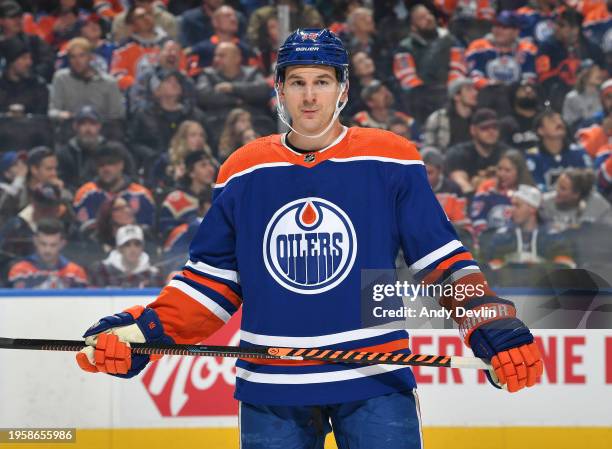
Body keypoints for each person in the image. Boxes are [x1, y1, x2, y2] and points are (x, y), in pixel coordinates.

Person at [76, 28, 542, 449]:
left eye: (321, 81)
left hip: (374, 377)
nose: (310, 96)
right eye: (297, 82)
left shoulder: (392, 158)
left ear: (343, 88)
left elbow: (440, 262)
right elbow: (212, 282)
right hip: (272, 387)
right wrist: (146, 331)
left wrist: (487, 322)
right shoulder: (244, 170)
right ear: (279, 89)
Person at [393, 4, 466, 122]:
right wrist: (428, 94)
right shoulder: (404, 47)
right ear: (413, 27)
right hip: (422, 100)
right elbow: (407, 79)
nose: (428, 18)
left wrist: (450, 90)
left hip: (448, 93)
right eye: (421, 18)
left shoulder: (451, 41)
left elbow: (459, 69)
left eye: (429, 14)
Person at [481, 184, 576, 271]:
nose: (511, 210)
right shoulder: (502, 237)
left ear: (532, 209)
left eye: (517, 205)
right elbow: (491, 271)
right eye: (512, 205)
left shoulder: (553, 237)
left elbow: (566, 268)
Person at [128, 69, 206, 170]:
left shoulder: (194, 114)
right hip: (155, 167)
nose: (175, 84)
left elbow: (209, 142)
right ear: (156, 90)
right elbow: (133, 143)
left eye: (177, 81)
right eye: (168, 81)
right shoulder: (143, 115)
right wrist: (154, 156)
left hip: (191, 167)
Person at [73, 141, 155, 234]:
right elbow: (83, 231)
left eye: (111, 163)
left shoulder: (142, 195)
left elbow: (148, 231)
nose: (106, 169)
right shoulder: (85, 194)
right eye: (101, 164)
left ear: (121, 165)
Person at [536, 8, 605, 110]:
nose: (556, 28)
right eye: (557, 23)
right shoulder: (547, 47)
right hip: (559, 97)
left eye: (562, 25)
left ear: (575, 29)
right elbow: (544, 78)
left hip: (589, 95)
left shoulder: (592, 49)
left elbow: (604, 73)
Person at [48, 37, 125, 121]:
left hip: (101, 129)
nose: (77, 61)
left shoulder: (109, 82)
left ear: (90, 57)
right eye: (73, 57)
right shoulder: (61, 78)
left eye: (81, 56)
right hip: (69, 127)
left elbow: (117, 115)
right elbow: (52, 111)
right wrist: (63, 115)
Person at [7, 218, 88, 289]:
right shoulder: (20, 271)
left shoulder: (75, 273)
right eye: (43, 244)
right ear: (35, 241)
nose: (47, 250)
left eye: (53, 245)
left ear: (62, 244)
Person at [195, 41, 270, 117]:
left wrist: (233, 87)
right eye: (215, 56)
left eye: (221, 56)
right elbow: (203, 96)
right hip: (219, 122)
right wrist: (235, 100)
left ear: (237, 58)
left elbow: (263, 91)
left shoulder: (252, 72)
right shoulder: (207, 74)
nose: (216, 59)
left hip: (254, 120)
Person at [470, 150, 535, 236]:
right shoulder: (485, 194)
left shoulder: (529, 196)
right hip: (492, 243)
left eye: (507, 170)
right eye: (499, 169)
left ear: (519, 172)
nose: (501, 174)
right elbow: (478, 225)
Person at [446, 108, 511, 193]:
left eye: (495, 127)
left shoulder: (508, 153)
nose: (491, 131)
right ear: (473, 130)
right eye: (485, 128)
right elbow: (461, 183)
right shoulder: (458, 153)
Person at [525, 110, 591, 191]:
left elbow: (589, 181)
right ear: (541, 130)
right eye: (552, 120)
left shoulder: (578, 152)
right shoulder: (533, 156)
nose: (559, 123)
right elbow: (534, 188)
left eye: (560, 119)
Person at [110, 5, 170, 90]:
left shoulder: (169, 44)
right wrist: (139, 87)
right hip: (136, 96)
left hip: (168, 93)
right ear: (132, 26)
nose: (146, 18)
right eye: (140, 17)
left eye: (148, 14)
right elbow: (117, 75)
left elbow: (181, 72)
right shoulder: (124, 48)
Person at [159, 150, 217, 238]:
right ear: (191, 173)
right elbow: (167, 235)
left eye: (211, 164)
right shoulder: (174, 200)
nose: (210, 169)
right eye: (203, 165)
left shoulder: (221, 195)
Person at [89, 224, 163, 288]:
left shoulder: (152, 274)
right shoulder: (103, 271)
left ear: (142, 247)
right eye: (127, 244)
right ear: (119, 248)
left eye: (137, 244)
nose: (133, 249)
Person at [149, 120, 213, 192]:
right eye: (193, 135)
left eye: (201, 135)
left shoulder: (209, 160)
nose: (198, 139)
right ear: (183, 139)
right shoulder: (167, 159)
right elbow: (155, 184)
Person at [540, 168, 612, 232]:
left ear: (576, 194)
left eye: (563, 188)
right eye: (557, 185)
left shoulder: (600, 206)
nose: (557, 190)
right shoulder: (544, 203)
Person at [0, 0, 55, 82]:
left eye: (20, 17)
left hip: (31, 86)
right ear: (1, 20)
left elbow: (48, 63)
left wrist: (28, 75)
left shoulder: (33, 40)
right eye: (12, 17)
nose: (18, 20)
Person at [352, 80, 419, 140]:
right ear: (370, 102)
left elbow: (417, 140)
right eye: (379, 92)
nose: (386, 93)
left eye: (386, 90)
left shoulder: (403, 118)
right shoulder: (360, 119)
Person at [423, 77, 477, 151]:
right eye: (468, 90)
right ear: (456, 96)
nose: (475, 93)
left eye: (474, 89)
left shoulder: (478, 119)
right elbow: (428, 149)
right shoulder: (438, 118)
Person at [421, 146, 470, 229]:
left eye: (429, 172)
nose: (424, 176)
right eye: (421, 171)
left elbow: (461, 222)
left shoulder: (453, 189)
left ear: (440, 170)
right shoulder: (410, 188)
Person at [0, 37, 49, 115]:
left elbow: (41, 118)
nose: (29, 62)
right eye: (24, 58)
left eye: (30, 58)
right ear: (11, 62)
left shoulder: (38, 85)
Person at [562, 60, 606, 129]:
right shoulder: (572, 97)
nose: (598, 73)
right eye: (594, 71)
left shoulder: (604, 94)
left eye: (598, 70)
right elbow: (569, 123)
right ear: (584, 75)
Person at [111, 0, 177, 43]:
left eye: (147, 1)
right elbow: (118, 45)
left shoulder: (167, 19)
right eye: (140, 1)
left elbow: (173, 45)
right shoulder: (120, 20)